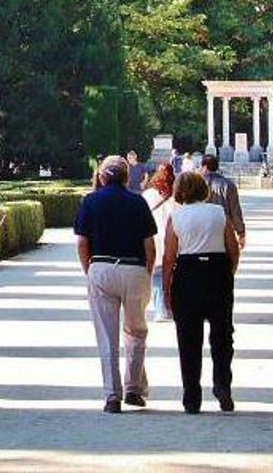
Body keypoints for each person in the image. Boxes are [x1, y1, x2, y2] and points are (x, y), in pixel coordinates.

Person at [74, 155, 157, 413]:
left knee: (107, 337)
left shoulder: (90, 201)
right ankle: (133, 389)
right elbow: (149, 245)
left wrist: (90, 270)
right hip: (134, 268)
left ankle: (112, 395)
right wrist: (147, 272)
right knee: (136, 332)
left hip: (101, 266)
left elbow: (82, 243)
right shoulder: (138, 201)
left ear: (102, 176)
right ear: (125, 176)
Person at [162, 170, 240, 414]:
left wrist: (167, 288)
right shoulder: (219, 213)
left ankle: (191, 397)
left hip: (187, 273)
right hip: (217, 271)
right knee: (222, 335)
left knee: (188, 339)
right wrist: (228, 274)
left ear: (179, 191)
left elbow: (168, 257)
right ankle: (222, 385)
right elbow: (233, 249)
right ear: (202, 189)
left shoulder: (176, 217)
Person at [142, 163, 176, 321]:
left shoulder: (148, 194)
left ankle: (160, 309)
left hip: (153, 236)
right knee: (171, 273)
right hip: (172, 237)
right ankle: (170, 306)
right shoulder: (177, 195)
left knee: (156, 273)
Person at [200, 152, 246, 249]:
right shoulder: (228, 185)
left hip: (201, 229)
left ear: (204, 167)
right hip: (223, 229)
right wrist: (241, 232)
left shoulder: (197, 185)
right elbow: (235, 211)